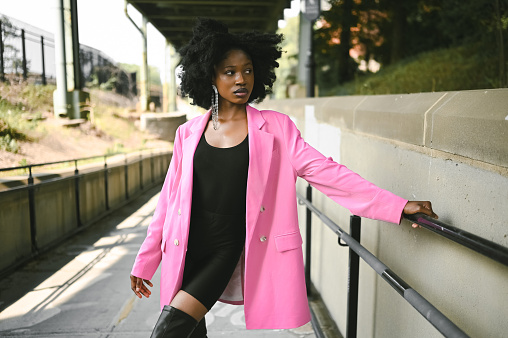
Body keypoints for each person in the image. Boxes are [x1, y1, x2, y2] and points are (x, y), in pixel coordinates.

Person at [129, 18, 437, 338]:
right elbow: (169, 199)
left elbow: (326, 171)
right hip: (186, 244)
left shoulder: (275, 129)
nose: (241, 79)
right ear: (210, 76)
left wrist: (397, 205)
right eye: (229, 71)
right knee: (191, 334)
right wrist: (146, 259)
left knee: (169, 330)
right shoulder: (188, 133)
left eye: (247, 70)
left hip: (226, 247)